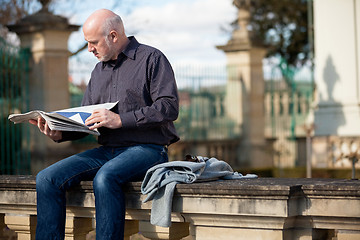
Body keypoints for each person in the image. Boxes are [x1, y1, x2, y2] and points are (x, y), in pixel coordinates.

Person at [30, 9, 179, 240]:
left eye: (93, 42)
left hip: (148, 149)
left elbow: (169, 107)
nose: (89, 49)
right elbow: (87, 120)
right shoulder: (98, 71)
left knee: (105, 177)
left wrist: (121, 120)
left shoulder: (152, 58)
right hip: (107, 150)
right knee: (46, 179)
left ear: (113, 36)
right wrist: (59, 133)